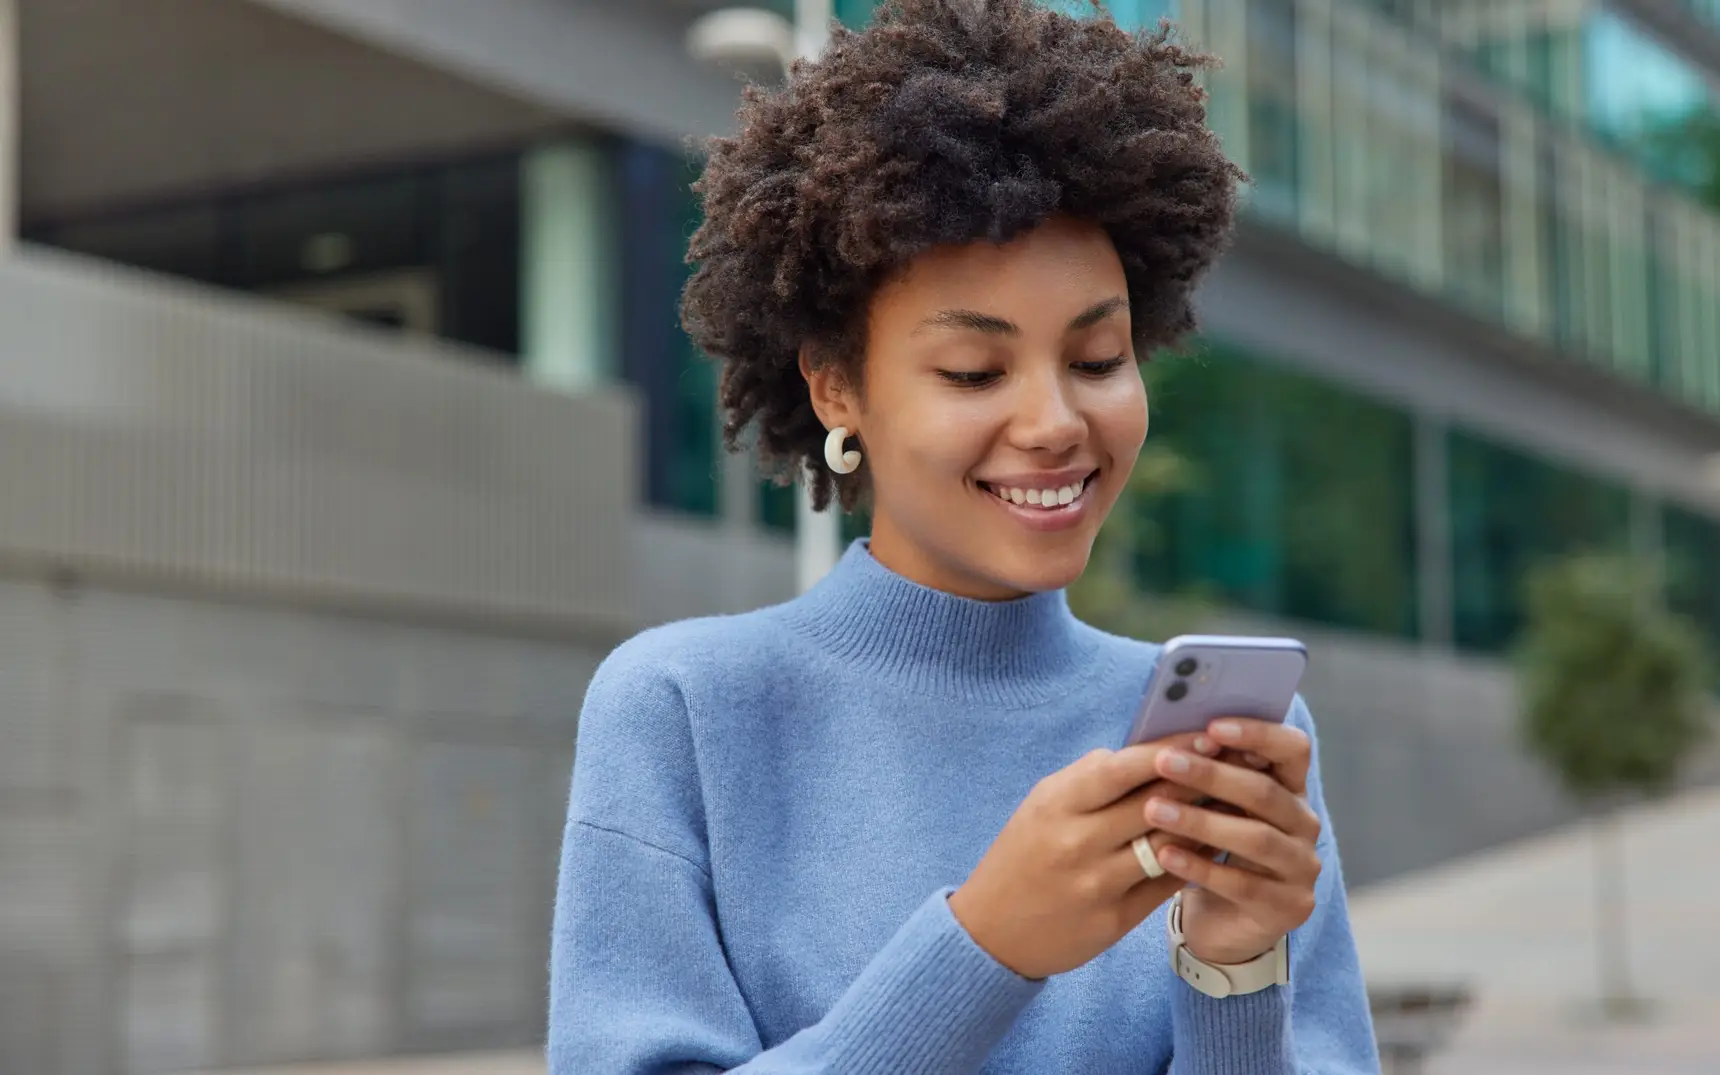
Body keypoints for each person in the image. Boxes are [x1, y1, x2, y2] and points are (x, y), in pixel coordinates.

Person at [546, 1, 1380, 1071]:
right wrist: (987, 946)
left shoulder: (1220, 745)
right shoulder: (684, 710)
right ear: (837, 384)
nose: (1055, 424)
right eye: (974, 372)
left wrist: (1234, 970)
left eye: (1097, 358)